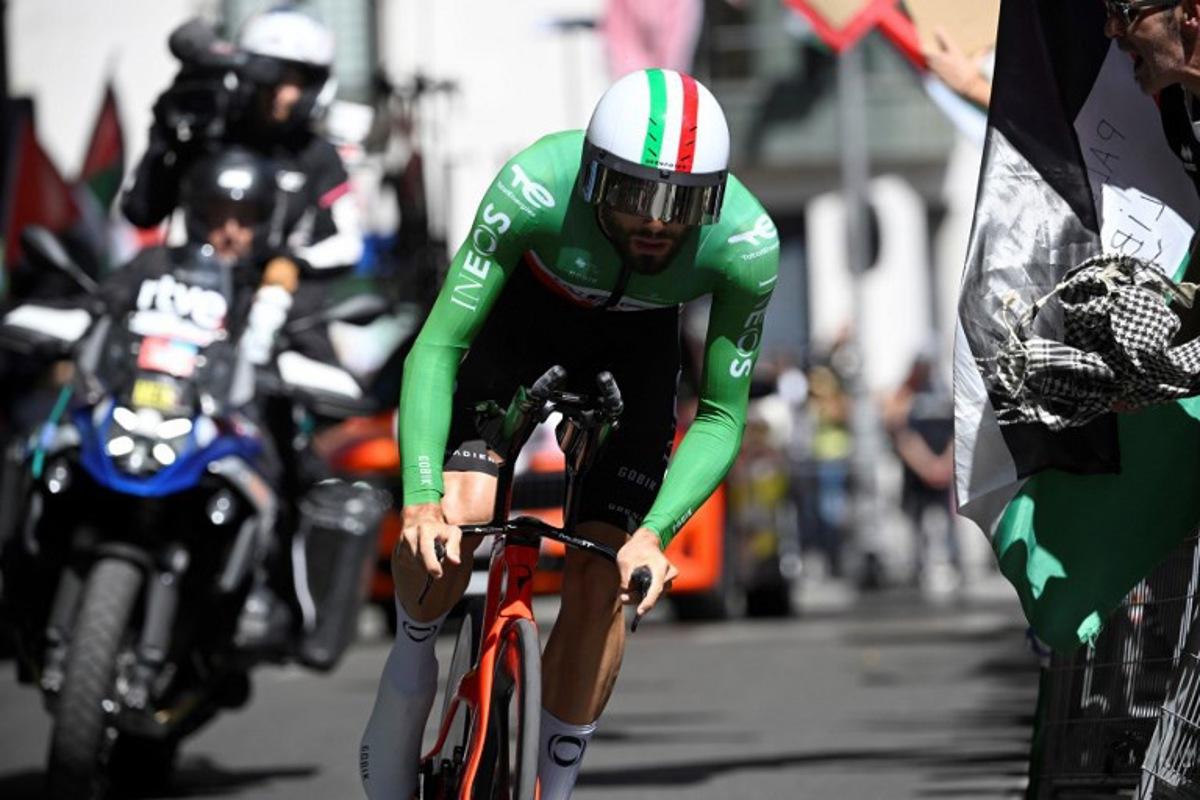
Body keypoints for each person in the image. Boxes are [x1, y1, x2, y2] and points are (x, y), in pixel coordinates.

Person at [359, 68, 779, 799]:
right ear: (592, 179)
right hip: (521, 332)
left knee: (605, 579)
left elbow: (719, 413)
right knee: (452, 527)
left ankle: (552, 787)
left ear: (713, 198)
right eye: (635, 196)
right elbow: (437, 348)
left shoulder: (747, 243)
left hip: (636, 354)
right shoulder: (533, 185)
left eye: (682, 205)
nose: (657, 222)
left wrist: (657, 532)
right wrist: (421, 498)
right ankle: (413, 656)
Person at [121, 5, 362, 273]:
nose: (277, 93)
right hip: (199, 293)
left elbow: (348, 245)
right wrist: (162, 139)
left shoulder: (318, 155)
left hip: (284, 300)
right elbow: (142, 213)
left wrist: (289, 265)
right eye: (268, 78)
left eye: (290, 80)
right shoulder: (213, 137)